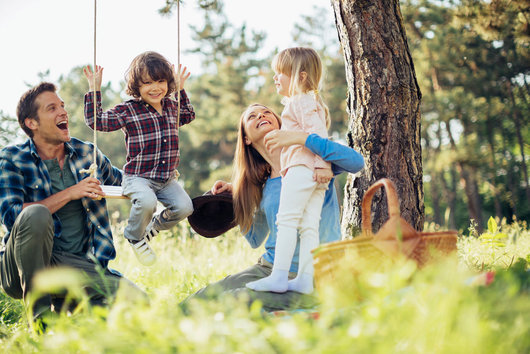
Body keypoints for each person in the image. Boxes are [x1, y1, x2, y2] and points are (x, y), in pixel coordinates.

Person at [183, 103, 364, 311]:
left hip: (313, 274)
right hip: (268, 269)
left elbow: (356, 162)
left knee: (233, 300)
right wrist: (236, 199)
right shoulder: (262, 186)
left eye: (266, 112)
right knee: (204, 296)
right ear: (246, 139)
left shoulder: (313, 158)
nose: (261, 115)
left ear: (279, 122)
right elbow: (254, 238)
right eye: (252, 116)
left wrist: (303, 138)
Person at [0, 82, 142, 323]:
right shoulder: (12, 159)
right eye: (52, 108)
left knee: (141, 305)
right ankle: (41, 323)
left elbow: (130, 183)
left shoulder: (87, 153)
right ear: (31, 123)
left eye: (63, 106)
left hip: (79, 266)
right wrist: (70, 193)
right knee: (36, 214)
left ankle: (75, 317)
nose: (63, 112)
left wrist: (169, 187)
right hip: (22, 267)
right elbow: (13, 217)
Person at [83, 51, 195, 266]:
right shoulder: (128, 110)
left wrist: (181, 89)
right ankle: (134, 237)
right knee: (147, 201)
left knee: (184, 207)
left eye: (161, 81)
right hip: (138, 178)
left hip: (166, 179)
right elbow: (97, 122)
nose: (155, 88)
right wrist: (94, 90)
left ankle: (152, 229)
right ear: (137, 86)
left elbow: (189, 115)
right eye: (147, 83)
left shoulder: (172, 106)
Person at [246, 47, 332, 294]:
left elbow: (316, 135)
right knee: (308, 226)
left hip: (302, 169)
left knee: (286, 221)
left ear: (300, 77)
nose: (275, 78)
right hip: (313, 172)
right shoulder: (310, 102)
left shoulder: (300, 102)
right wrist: (321, 166)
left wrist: (323, 164)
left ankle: (279, 276)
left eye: (280, 73)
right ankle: (305, 278)